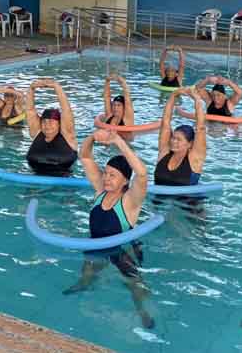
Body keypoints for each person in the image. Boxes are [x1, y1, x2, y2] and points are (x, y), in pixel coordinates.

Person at [63, 129, 154, 329]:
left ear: (125, 181)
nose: (106, 178)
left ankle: (142, 311)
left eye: (113, 175)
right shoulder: (100, 192)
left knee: (134, 284)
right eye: (106, 173)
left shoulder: (130, 201)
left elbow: (142, 173)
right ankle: (85, 284)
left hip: (121, 249)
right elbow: (85, 156)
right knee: (87, 269)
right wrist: (93, 137)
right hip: (96, 244)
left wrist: (118, 141)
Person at [154, 87, 207, 186]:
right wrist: (173, 95)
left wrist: (197, 100)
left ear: (190, 144)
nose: (173, 141)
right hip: (158, 200)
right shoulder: (164, 151)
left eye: (179, 140)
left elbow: (200, 128)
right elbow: (165, 122)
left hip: (186, 200)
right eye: (173, 138)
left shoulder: (195, 158)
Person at [26, 78, 78, 176]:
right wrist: (31, 88)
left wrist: (57, 87)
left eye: (51, 122)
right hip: (34, 180)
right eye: (44, 122)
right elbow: (30, 110)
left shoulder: (68, 136)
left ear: (59, 124)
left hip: (62, 184)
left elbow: (66, 110)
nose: (47, 125)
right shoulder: (37, 133)